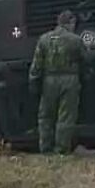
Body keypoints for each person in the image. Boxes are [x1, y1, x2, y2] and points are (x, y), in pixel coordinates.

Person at [28, 10, 88, 154]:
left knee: (45, 116)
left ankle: (45, 148)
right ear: (71, 23)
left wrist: (34, 82)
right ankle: (61, 150)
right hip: (70, 79)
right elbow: (85, 61)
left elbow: (36, 65)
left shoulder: (44, 39)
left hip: (49, 80)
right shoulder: (75, 40)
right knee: (66, 117)